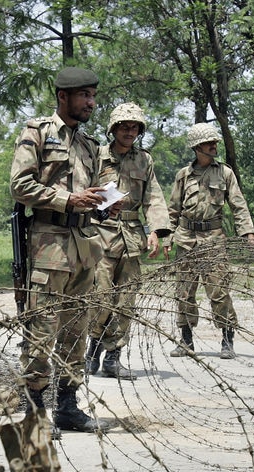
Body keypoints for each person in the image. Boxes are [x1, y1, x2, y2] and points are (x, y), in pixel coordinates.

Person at [10, 67, 117, 436]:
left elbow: (96, 194)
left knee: (77, 329)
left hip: (85, 246)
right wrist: (67, 199)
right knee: (41, 330)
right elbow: (20, 185)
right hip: (48, 245)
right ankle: (35, 411)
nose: (91, 102)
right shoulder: (37, 133)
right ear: (63, 97)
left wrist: (107, 204)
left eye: (93, 95)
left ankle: (68, 406)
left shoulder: (89, 146)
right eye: (84, 95)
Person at [85, 103, 171, 380]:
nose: (129, 131)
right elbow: (81, 191)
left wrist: (158, 231)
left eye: (134, 127)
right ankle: (92, 350)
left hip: (132, 238)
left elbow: (154, 197)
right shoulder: (96, 156)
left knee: (125, 301)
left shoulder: (144, 160)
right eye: (124, 126)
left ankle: (113, 357)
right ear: (113, 129)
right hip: (100, 234)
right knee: (100, 298)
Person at [165, 123, 254, 359]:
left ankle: (227, 339)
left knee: (219, 291)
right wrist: (166, 239)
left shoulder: (225, 173)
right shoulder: (183, 175)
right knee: (184, 292)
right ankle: (186, 340)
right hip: (185, 240)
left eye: (215, 142)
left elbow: (238, 204)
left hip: (214, 240)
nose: (214, 146)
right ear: (197, 147)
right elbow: (173, 209)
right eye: (208, 143)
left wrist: (247, 232)